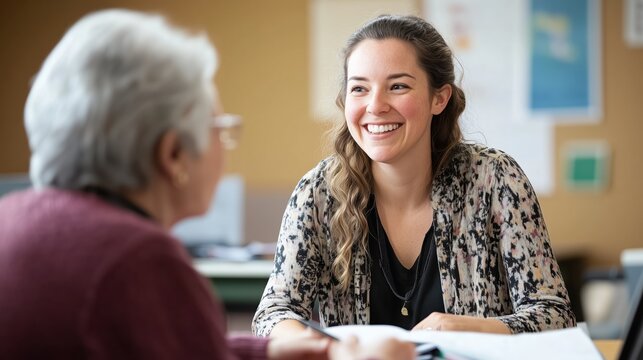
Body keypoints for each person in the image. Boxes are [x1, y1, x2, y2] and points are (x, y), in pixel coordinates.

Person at [0, 9, 415, 360]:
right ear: (173, 155)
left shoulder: (15, 218)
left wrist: (276, 351)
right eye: (219, 126)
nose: (225, 143)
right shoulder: (138, 260)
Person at [252, 14, 576, 337]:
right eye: (360, 89)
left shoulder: (495, 180)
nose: (375, 105)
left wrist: (471, 327)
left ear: (439, 98)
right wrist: (325, 345)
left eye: (398, 86)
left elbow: (554, 314)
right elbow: (272, 314)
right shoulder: (319, 193)